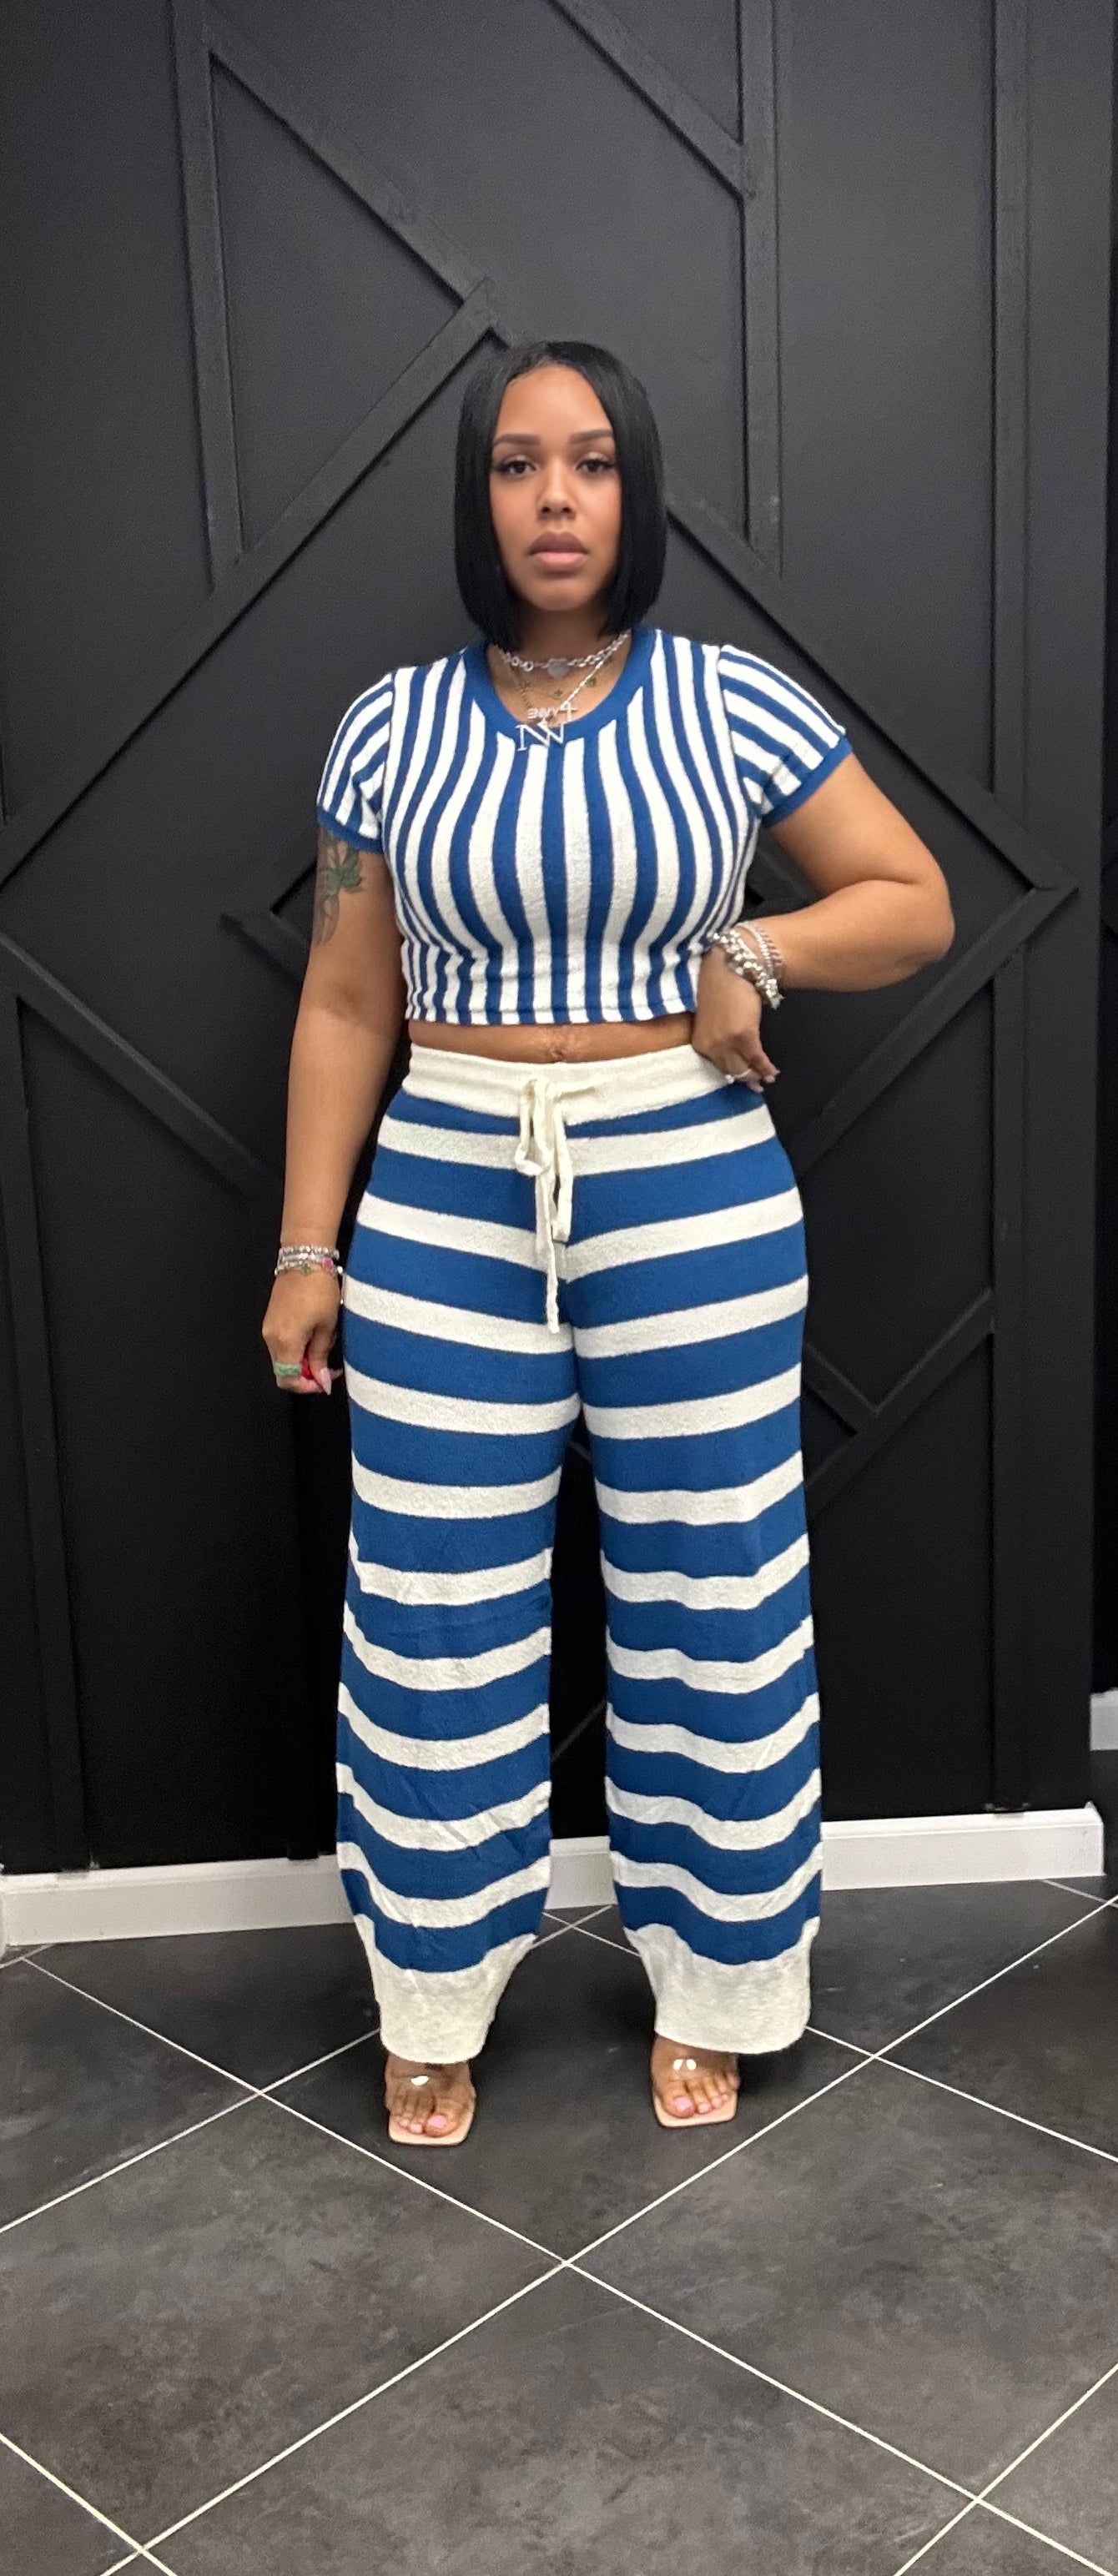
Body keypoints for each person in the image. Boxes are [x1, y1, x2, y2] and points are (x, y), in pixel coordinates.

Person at [261, 339, 953, 2147]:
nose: (553, 497)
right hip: (445, 1177)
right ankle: (430, 1987)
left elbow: (910, 901)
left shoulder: (729, 703)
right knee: (430, 1602)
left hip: (687, 1172)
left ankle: (722, 1979)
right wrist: (306, 1248)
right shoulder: (388, 730)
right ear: (479, 499)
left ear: (634, 491)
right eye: (516, 464)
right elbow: (345, 1000)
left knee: (717, 1590)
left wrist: (753, 950)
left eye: (588, 461)